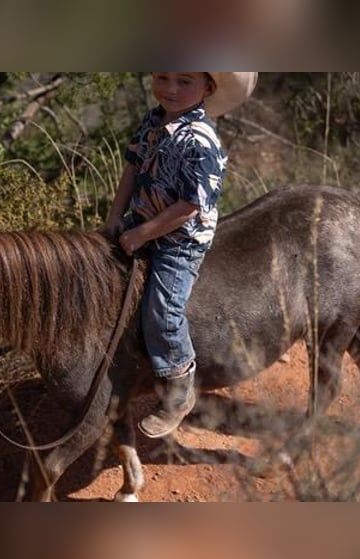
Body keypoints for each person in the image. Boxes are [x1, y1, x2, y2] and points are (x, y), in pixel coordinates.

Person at [102, 72, 257, 438]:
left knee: (163, 309)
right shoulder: (154, 120)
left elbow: (189, 207)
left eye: (184, 81)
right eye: (162, 77)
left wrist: (142, 233)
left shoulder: (201, 141)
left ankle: (178, 387)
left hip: (179, 239)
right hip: (140, 222)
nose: (170, 89)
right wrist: (115, 216)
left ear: (209, 87)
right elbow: (132, 167)